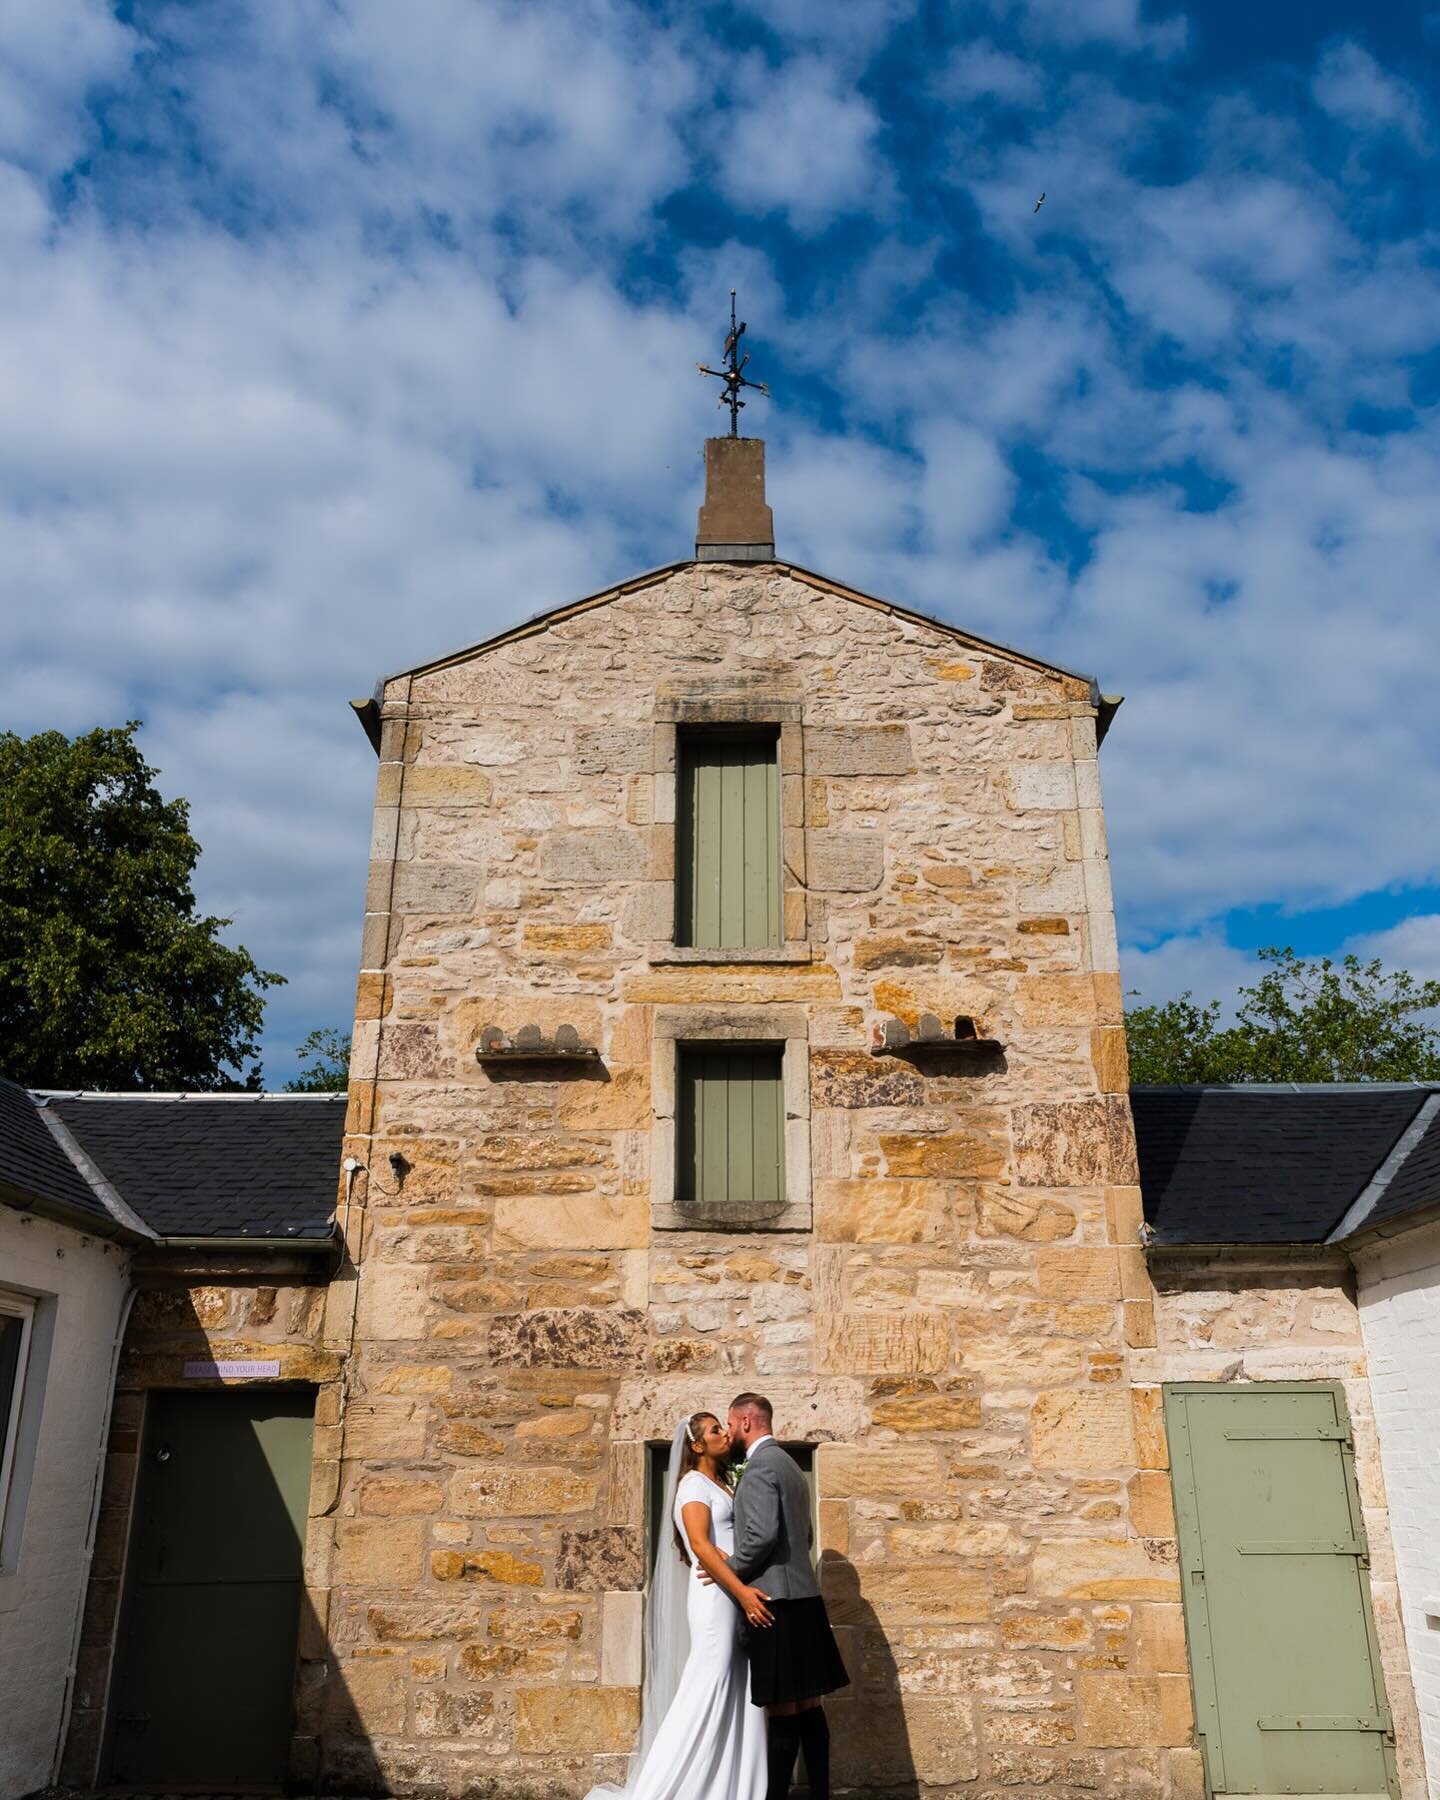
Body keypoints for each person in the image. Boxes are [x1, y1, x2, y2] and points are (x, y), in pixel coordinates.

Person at [587, 1411, 771, 1800]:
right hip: (715, 1599)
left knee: (739, 1685)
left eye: (723, 1427)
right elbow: (701, 1545)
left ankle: (732, 1787)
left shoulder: (719, 1482)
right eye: (715, 1430)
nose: (724, 1434)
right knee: (710, 1684)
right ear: (696, 1445)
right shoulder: (691, 1486)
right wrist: (742, 1592)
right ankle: (665, 1787)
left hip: (729, 1592)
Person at [726, 1392, 849, 1800]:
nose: (728, 1433)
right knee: (808, 1704)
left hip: (775, 1602)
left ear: (745, 1422)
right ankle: (820, 1793)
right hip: (805, 1598)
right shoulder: (792, 1467)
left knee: (781, 1706)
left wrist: (726, 1570)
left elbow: (759, 1537)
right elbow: (807, 1537)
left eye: (729, 1424)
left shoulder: (760, 1467)